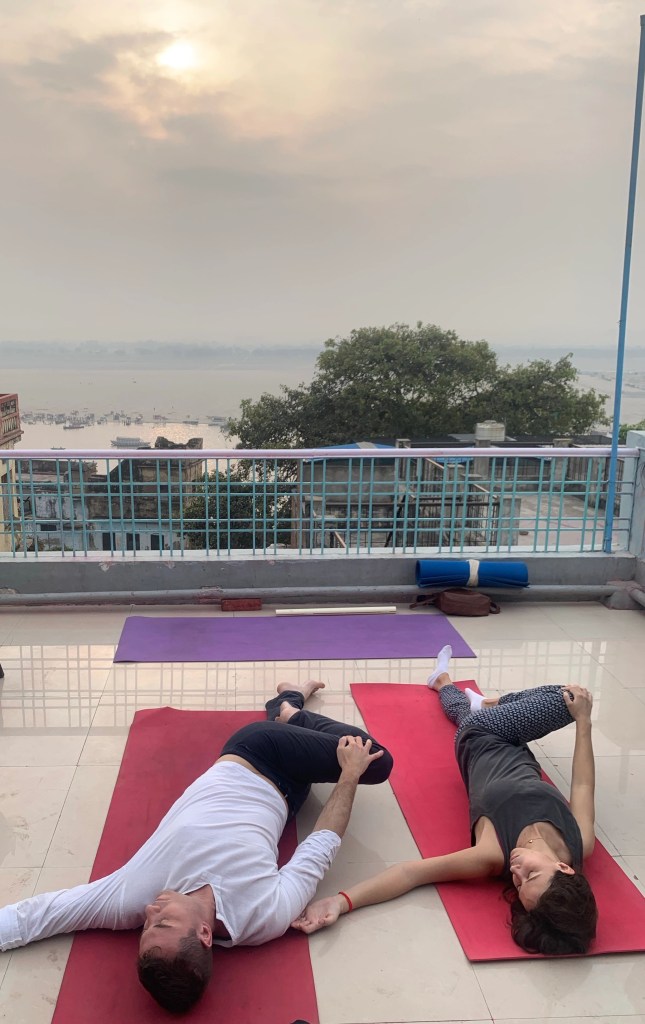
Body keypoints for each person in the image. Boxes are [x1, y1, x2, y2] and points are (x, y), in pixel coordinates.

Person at [0, 680, 393, 1013]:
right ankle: (288, 707)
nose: (150, 911)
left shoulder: (132, 895)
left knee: (370, 759)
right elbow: (321, 844)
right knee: (371, 761)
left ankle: (289, 712)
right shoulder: (265, 915)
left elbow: (46, 914)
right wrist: (349, 774)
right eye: (162, 923)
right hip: (290, 798)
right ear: (205, 934)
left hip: (257, 752)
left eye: (145, 927)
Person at [293, 646, 598, 955]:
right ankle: (443, 682)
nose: (516, 871)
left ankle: (484, 706)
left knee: (563, 698)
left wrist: (341, 902)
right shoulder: (579, 841)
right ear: (564, 867)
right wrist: (584, 721)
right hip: (516, 746)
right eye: (530, 874)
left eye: (517, 885)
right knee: (577, 704)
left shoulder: (492, 855)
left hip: (480, 735)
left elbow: (411, 873)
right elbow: (583, 785)